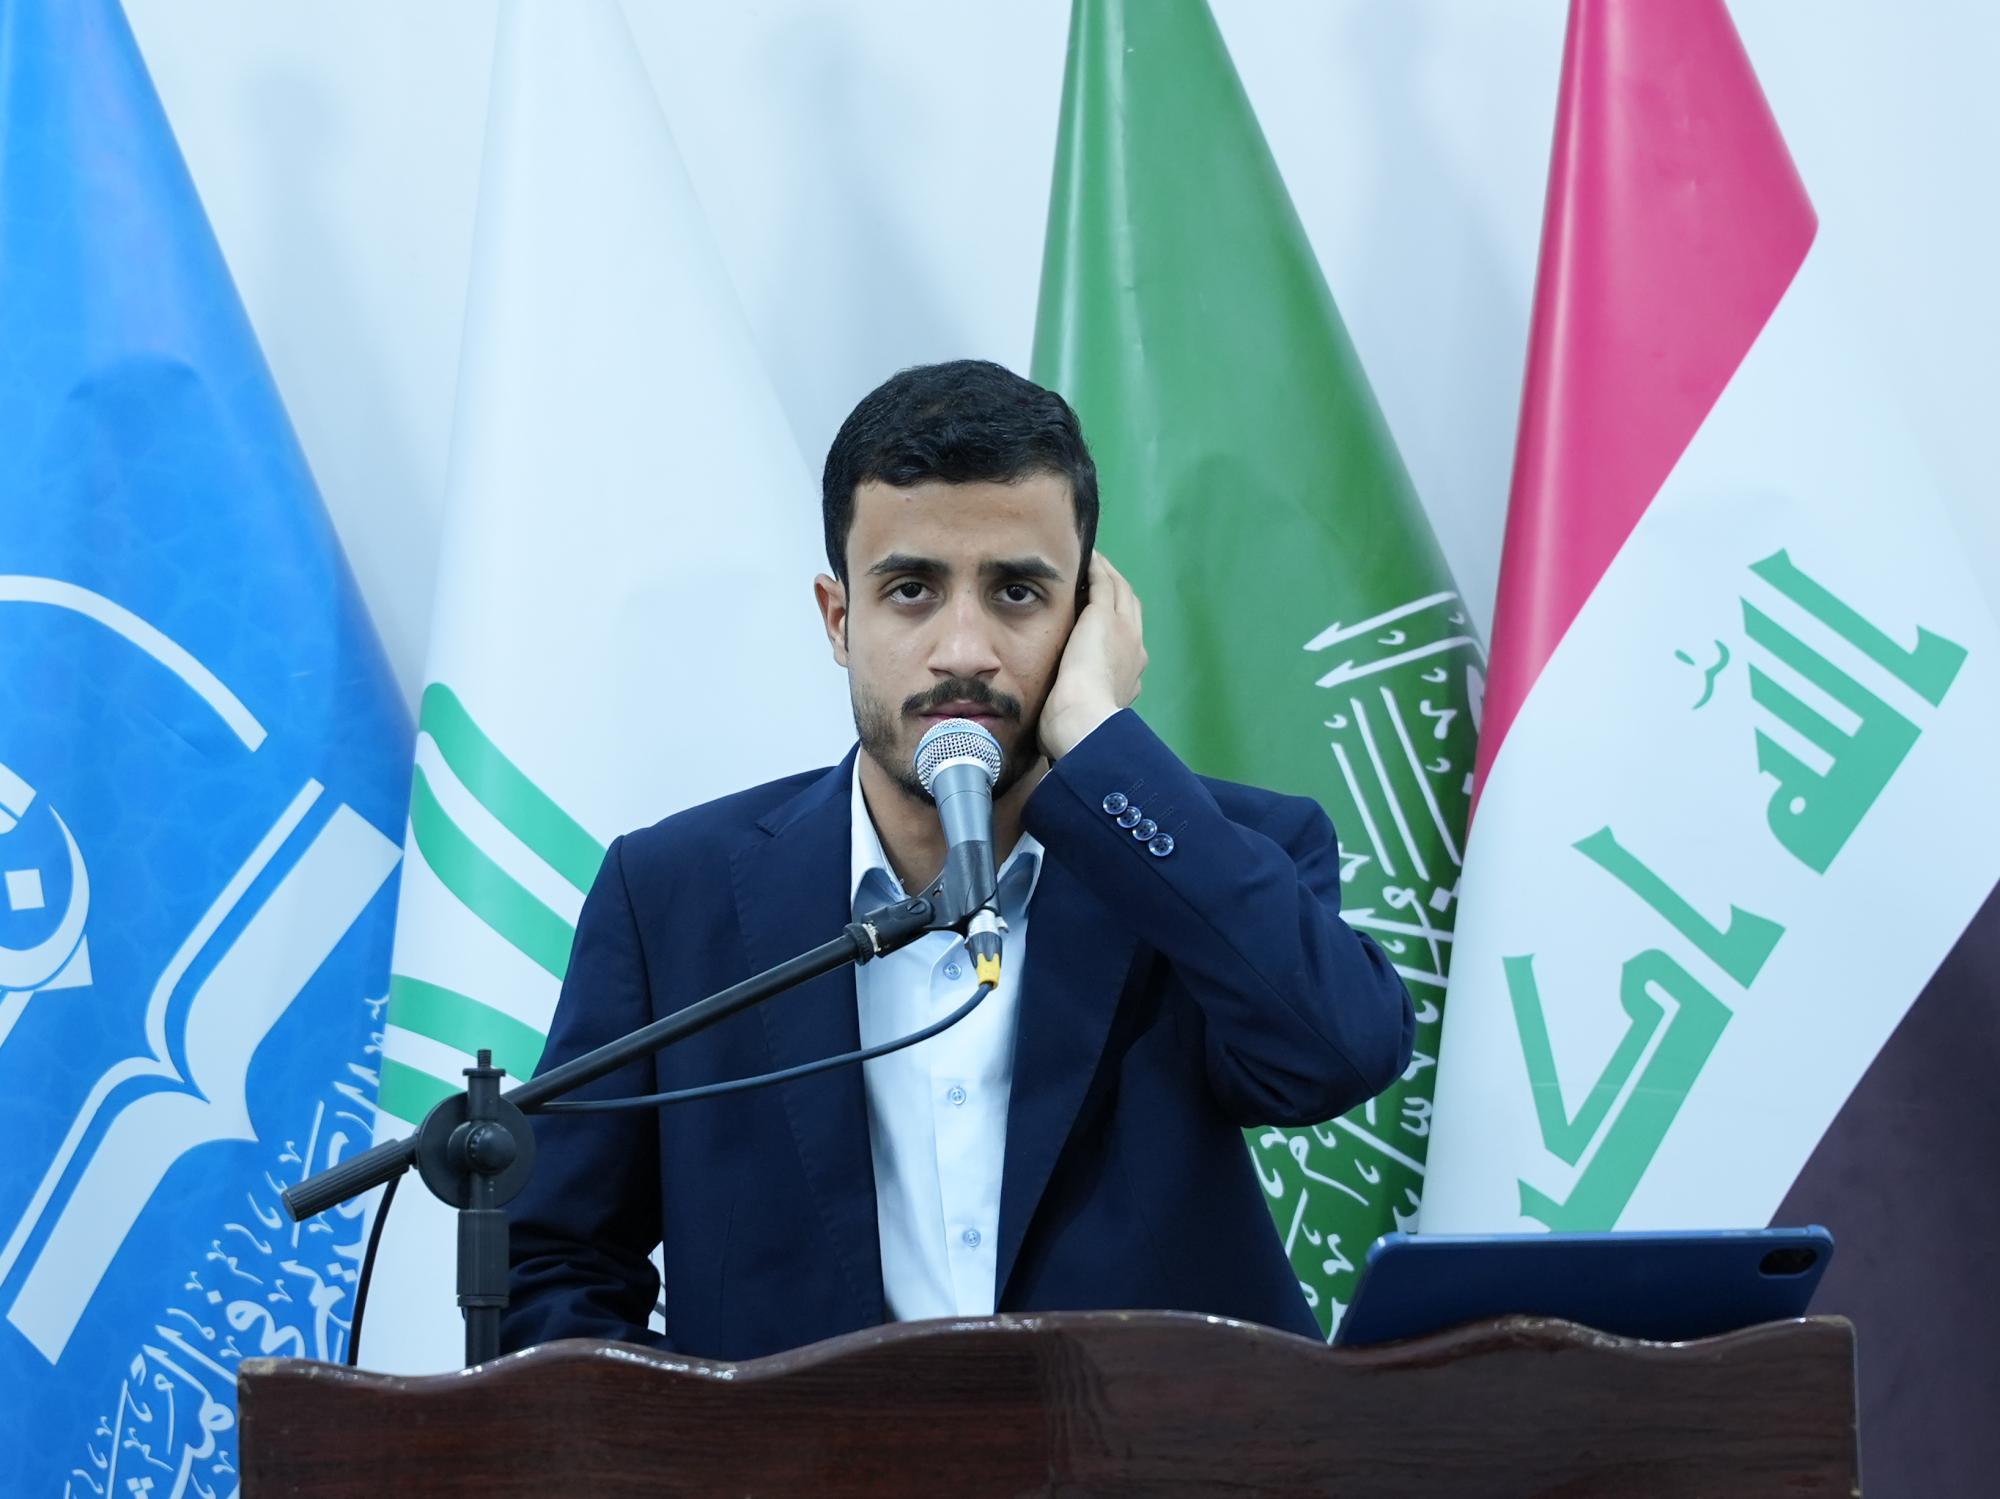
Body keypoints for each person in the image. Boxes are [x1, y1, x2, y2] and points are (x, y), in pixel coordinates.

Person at [501, 360, 1413, 1359]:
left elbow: (1337, 1056)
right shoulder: (673, 894)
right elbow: (552, 1264)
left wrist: (1096, 733)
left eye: (1018, 591)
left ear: (1089, 617)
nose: (965, 650)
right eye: (911, 591)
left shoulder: (1211, 854)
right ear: (839, 619)